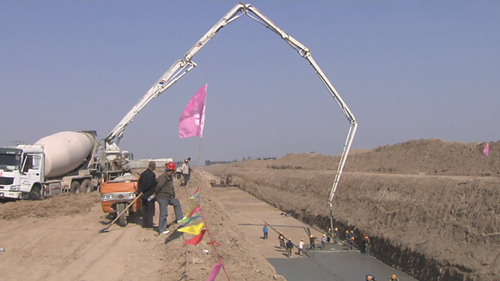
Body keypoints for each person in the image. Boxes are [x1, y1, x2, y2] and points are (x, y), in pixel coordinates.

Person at [155, 162, 183, 235]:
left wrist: (174, 195)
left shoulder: (170, 176)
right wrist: (156, 193)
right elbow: (159, 186)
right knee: (164, 213)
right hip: (162, 197)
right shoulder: (164, 177)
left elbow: (171, 188)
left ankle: (180, 219)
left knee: (176, 203)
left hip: (169, 196)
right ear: (172, 170)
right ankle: (162, 230)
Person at [138, 161, 157, 229]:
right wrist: (144, 190)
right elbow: (150, 185)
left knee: (145, 210)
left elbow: (139, 184)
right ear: (153, 167)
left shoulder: (143, 174)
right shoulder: (152, 175)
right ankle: (149, 225)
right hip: (149, 195)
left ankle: (144, 224)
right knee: (150, 211)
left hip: (143, 195)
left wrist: (140, 191)